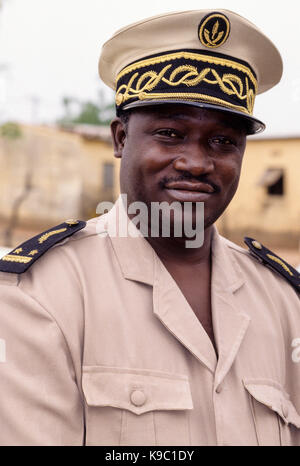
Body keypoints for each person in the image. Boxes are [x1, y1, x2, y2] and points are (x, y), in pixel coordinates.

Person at [0, 9, 299, 446]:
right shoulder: (40, 295)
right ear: (120, 138)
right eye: (170, 133)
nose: (197, 163)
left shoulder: (283, 299)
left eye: (223, 141)